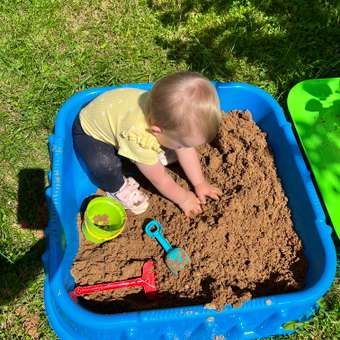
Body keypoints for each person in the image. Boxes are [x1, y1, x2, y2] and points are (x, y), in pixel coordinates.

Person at [72, 71, 222, 216]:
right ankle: (117, 189)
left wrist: (200, 183)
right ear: (157, 131)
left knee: (172, 146)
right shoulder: (139, 138)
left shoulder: (161, 105)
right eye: (180, 145)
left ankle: (153, 151)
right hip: (89, 134)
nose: (184, 148)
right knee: (104, 166)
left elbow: (186, 149)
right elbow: (160, 179)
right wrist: (183, 198)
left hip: (112, 114)